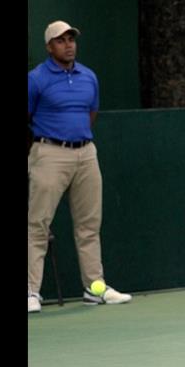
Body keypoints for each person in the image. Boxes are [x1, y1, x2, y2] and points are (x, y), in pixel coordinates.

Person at [27, 21, 132, 313]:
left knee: (89, 225)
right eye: (61, 40)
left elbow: (91, 113)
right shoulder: (35, 79)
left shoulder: (89, 77)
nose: (69, 44)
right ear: (49, 47)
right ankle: (30, 291)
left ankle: (94, 287)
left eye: (71, 39)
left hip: (86, 154)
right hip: (49, 152)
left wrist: (78, 141)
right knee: (37, 224)